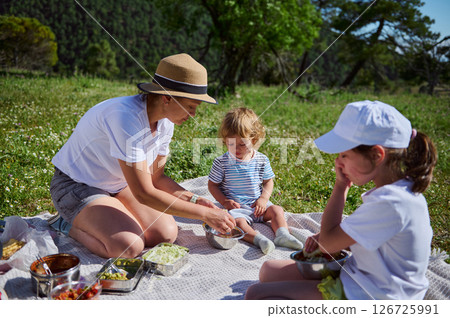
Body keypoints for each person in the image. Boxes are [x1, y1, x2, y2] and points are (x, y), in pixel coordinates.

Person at [48, 53, 236, 258]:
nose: (193, 115)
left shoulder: (165, 122)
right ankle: (65, 224)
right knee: (128, 247)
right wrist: (205, 214)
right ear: (166, 98)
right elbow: (144, 193)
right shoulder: (125, 118)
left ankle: (108, 211)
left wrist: (195, 200)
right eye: (190, 107)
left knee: (166, 233)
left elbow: (157, 177)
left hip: (119, 185)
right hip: (76, 186)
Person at [245, 100, 437, 300]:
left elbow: (329, 243)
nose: (338, 162)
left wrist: (340, 187)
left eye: (344, 155)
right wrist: (329, 238)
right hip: (360, 276)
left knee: (255, 295)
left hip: (372, 296)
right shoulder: (399, 193)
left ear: (377, 155)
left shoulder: (390, 203)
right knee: (268, 270)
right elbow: (368, 238)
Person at [208, 108, 303, 254]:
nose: (236, 149)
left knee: (277, 210)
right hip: (238, 208)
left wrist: (263, 199)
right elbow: (212, 185)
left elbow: (268, 182)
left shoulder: (261, 160)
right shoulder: (221, 163)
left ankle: (282, 235)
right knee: (237, 223)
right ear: (225, 141)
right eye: (231, 144)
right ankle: (258, 239)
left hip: (259, 207)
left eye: (242, 144)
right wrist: (225, 201)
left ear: (254, 140)